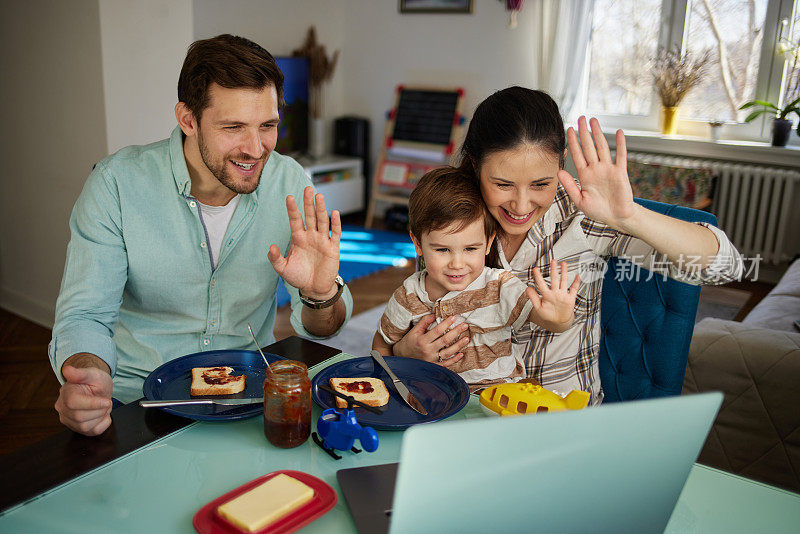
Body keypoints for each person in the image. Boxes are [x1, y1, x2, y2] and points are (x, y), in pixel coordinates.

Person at [49, 34, 353, 436]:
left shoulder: (289, 183)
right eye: (233, 127)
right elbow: (86, 315)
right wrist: (89, 377)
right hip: (135, 403)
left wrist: (321, 294)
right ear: (187, 119)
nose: (255, 148)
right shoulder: (116, 184)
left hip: (248, 399)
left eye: (267, 126)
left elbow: (324, 326)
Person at [389, 86, 743, 403]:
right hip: (459, 410)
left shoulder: (584, 218)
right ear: (474, 166)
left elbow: (727, 267)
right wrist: (405, 349)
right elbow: (414, 311)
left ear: (560, 165)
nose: (522, 205)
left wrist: (628, 217)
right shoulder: (452, 216)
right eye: (503, 184)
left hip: (558, 418)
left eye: (540, 184)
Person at [372, 167, 580, 390]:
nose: (457, 264)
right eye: (443, 250)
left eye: (470, 248)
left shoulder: (499, 285)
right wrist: (395, 377)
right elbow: (381, 345)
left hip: (498, 400)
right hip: (434, 401)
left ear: (489, 242)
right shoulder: (409, 295)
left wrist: (561, 317)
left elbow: (546, 319)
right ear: (418, 243)